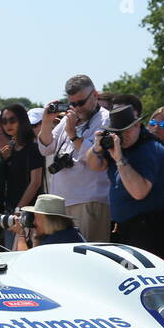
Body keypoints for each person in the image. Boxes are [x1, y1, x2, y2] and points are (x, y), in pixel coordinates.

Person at [85, 99, 164, 259]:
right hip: (126, 228)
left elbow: (139, 192)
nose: (124, 135)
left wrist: (120, 160)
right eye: (119, 131)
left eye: (127, 130)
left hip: (150, 228)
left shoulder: (148, 149)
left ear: (137, 126)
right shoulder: (119, 144)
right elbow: (94, 165)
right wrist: (96, 148)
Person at [41, 74, 112, 242]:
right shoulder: (69, 118)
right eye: (72, 103)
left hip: (89, 201)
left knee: (89, 256)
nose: (77, 108)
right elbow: (47, 148)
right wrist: (46, 122)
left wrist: (73, 134)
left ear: (95, 95)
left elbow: (95, 158)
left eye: (81, 102)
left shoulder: (106, 119)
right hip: (61, 202)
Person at [0, 104, 44, 247]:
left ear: (22, 120)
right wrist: (1, 160)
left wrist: (19, 209)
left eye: (12, 120)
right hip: (11, 211)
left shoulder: (33, 148)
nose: (8, 124)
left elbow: (35, 182)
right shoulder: (9, 149)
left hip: (29, 213)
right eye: (4, 121)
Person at [12, 194, 84, 250]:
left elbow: (28, 263)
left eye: (36, 218)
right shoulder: (69, 233)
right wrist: (37, 235)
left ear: (49, 221)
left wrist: (21, 235)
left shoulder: (56, 241)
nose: (33, 222)